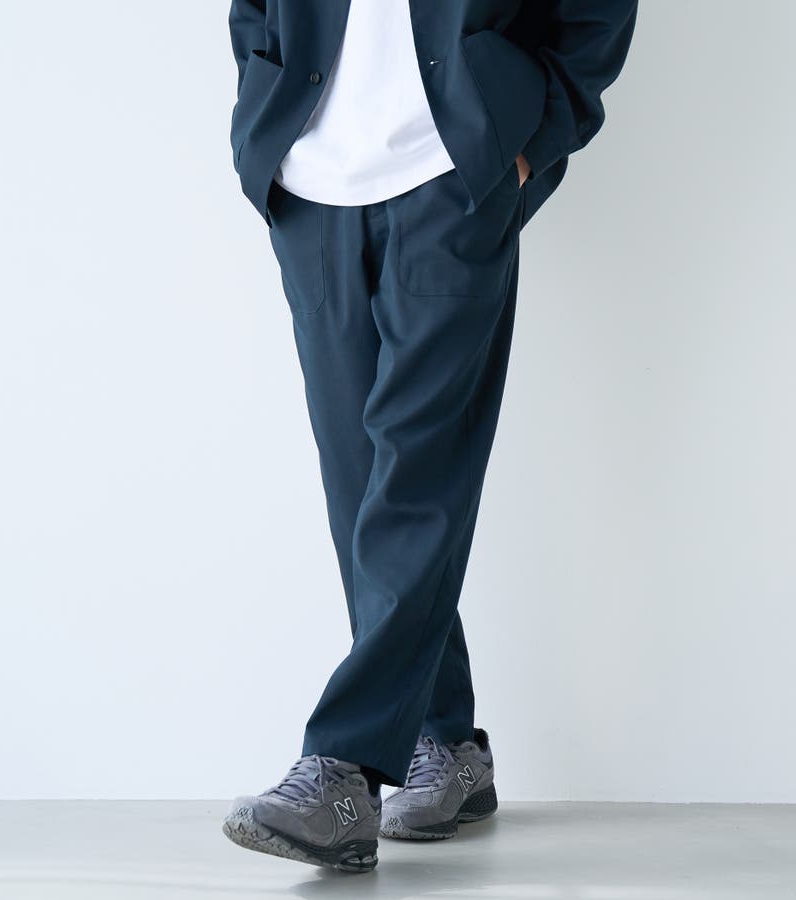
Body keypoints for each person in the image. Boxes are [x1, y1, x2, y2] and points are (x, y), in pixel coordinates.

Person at [222, 0, 637, 873]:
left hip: (452, 174)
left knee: (416, 480)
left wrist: (531, 144)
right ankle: (446, 744)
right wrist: (266, 125)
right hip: (312, 187)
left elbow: (598, 11)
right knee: (362, 494)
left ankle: (343, 771)